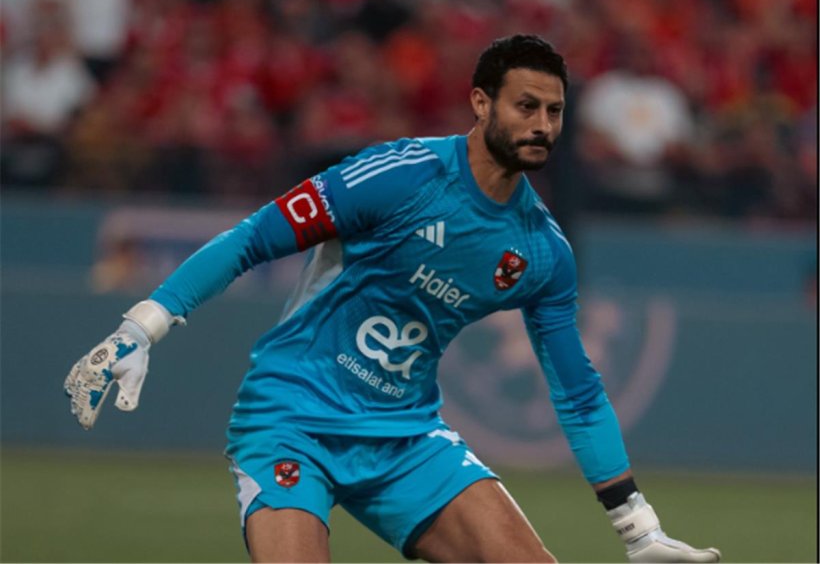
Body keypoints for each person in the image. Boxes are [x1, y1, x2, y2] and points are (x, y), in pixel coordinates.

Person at [65, 34, 721, 563]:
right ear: (480, 102)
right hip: (293, 417)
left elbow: (577, 392)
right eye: (526, 107)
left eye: (554, 112)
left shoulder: (543, 252)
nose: (543, 125)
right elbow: (254, 238)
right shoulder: (402, 175)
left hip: (405, 437)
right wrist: (143, 326)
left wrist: (638, 528)